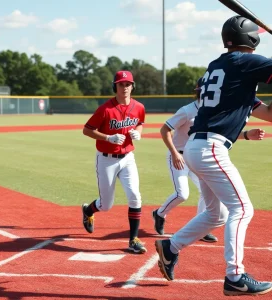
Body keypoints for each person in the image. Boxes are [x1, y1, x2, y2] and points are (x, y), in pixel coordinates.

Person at [154, 15, 272, 296]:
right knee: (242, 209)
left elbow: (265, 113)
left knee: (215, 213)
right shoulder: (245, 63)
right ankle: (235, 276)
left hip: (198, 147)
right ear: (251, 39)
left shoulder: (222, 66)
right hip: (210, 148)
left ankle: (170, 247)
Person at [152, 78, 264, 243]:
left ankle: (202, 228)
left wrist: (246, 134)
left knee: (207, 194)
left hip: (199, 158)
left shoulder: (213, 111)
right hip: (179, 156)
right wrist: (174, 153)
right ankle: (159, 213)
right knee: (182, 194)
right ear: (199, 91)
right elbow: (164, 129)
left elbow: (220, 134)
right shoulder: (187, 110)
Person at [82, 70, 147, 254]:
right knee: (106, 205)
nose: (125, 88)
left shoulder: (139, 107)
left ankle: (133, 239)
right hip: (106, 160)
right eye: (121, 84)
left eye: (128, 84)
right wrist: (107, 138)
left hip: (128, 158)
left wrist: (139, 132)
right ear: (115, 86)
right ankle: (89, 210)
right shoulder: (105, 109)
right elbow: (87, 130)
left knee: (135, 195)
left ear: (133, 86)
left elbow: (140, 122)